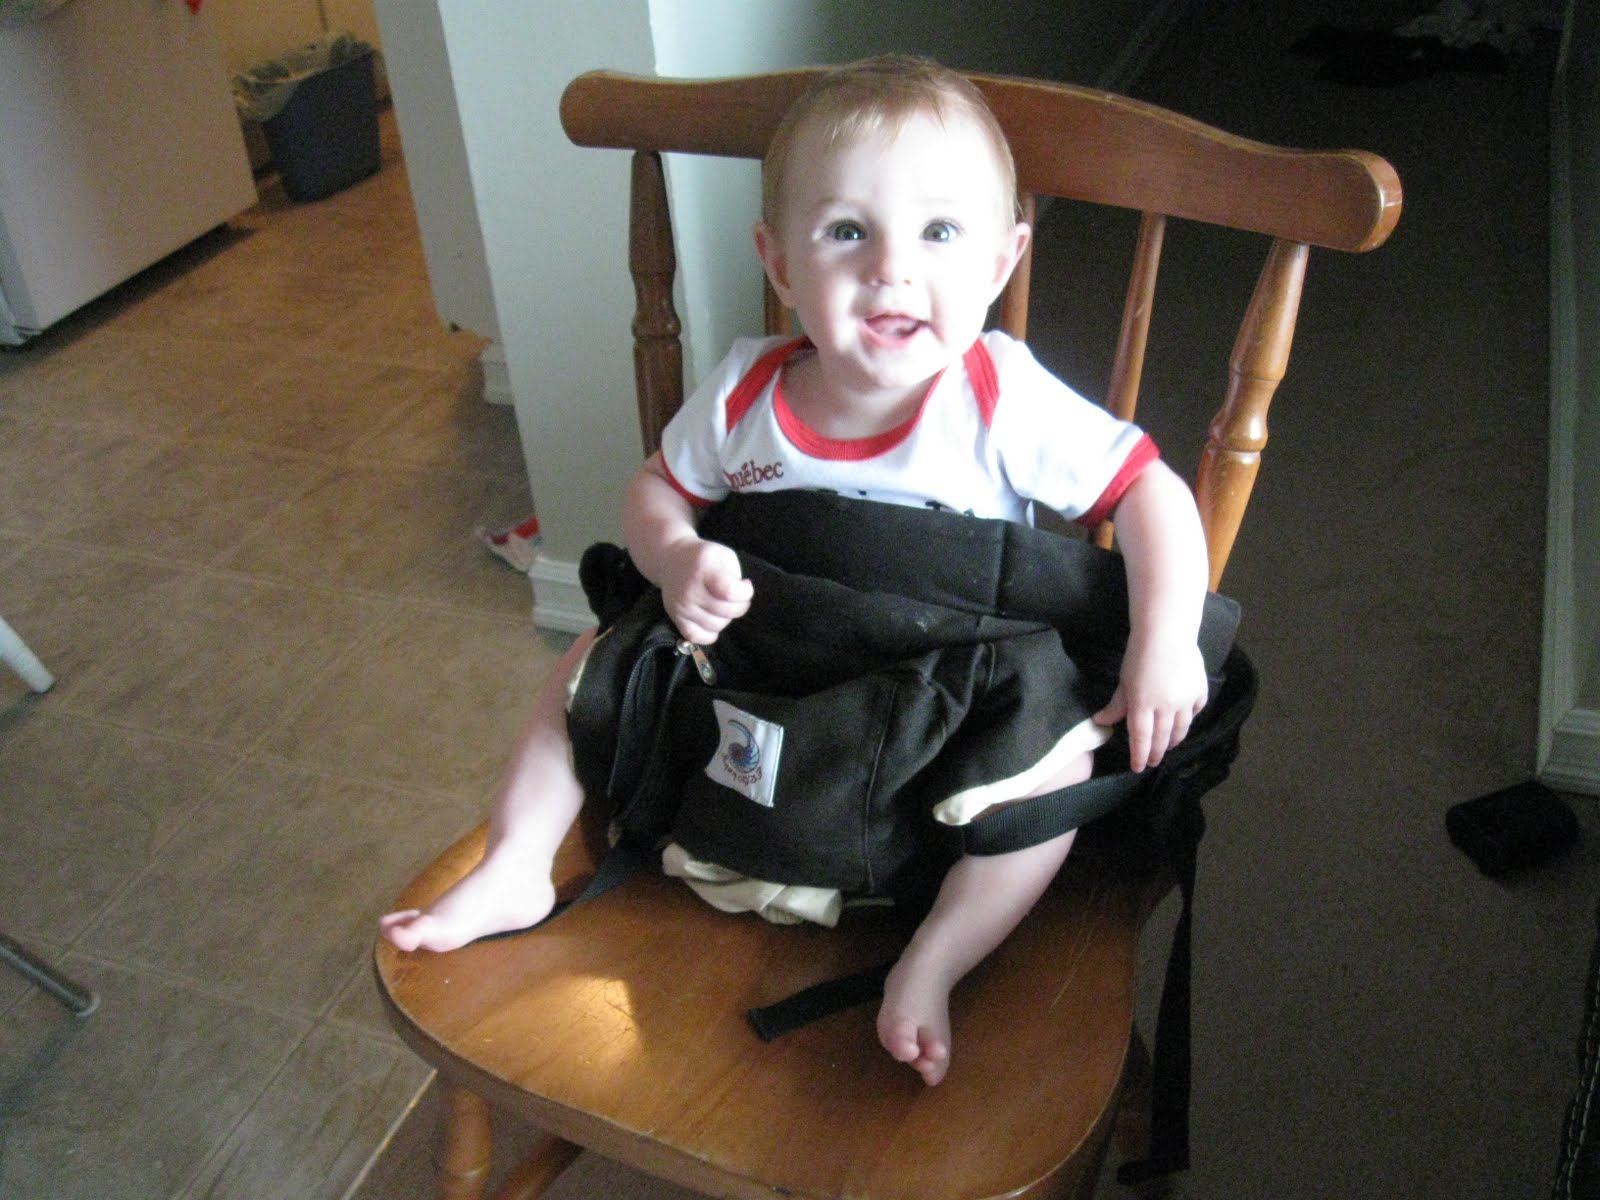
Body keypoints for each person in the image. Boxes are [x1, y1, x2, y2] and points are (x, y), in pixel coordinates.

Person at [382, 53, 1210, 1088]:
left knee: (1054, 753)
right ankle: (517, 863)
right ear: (780, 264)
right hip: (774, 658)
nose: (892, 269)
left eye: (940, 232)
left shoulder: (998, 395)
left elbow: (1150, 493)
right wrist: (676, 554)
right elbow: (656, 491)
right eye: (846, 232)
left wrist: (1165, 639)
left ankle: (935, 958)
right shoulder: (746, 393)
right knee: (601, 655)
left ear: (1002, 261)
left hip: (939, 683)